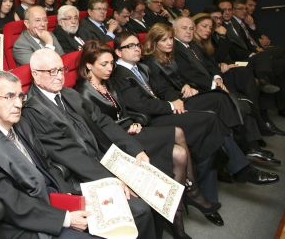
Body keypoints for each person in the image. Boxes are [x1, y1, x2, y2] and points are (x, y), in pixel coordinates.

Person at [112, 31, 279, 203]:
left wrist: (175, 99)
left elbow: (162, 89)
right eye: (130, 46)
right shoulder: (119, 74)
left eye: (137, 45)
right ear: (118, 52)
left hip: (168, 106)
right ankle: (239, 166)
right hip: (151, 118)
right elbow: (139, 105)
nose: (136, 49)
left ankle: (235, 162)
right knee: (209, 121)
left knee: (216, 101)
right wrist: (170, 105)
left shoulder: (141, 66)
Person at [72, 44, 216, 236]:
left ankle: (181, 207)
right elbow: (98, 129)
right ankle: (185, 202)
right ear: (89, 66)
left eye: (112, 64)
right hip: (114, 143)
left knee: (180, 149)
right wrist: (127, 126)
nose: (109, 68)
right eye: (104, 64)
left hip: (129, 131)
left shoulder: (107, 82)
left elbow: (122, 111)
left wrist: (134, 122)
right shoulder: (82, 93)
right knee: (178, 149)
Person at [21, 49, 158, 239]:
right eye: (52, 72)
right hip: (79, 177)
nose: (59, 76)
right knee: (140, 208)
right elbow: (70, 155)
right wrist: (111, 179)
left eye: (61, 70)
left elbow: (103, 122)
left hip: (102, 158)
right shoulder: (33, 110)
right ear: (35, 74)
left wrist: (135, 150)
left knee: (153, 180)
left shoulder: (70, 94)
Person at [0, 71, 94, 239]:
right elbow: (8, 200)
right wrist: (66, 218)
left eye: (20, 96)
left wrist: (67, 197)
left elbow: (46, 165)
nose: (19, 104)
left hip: (45, 200)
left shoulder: (21, 123)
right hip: (14, 221)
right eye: (10, 97)